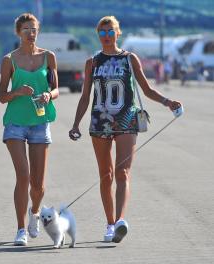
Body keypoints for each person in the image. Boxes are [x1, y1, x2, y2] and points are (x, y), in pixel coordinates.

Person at [69, 16, 181, 243]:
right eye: (102, 33)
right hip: (99, 120)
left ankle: (120, 221)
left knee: (122, 172)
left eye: (111, 32)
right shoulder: (92, 62)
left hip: (127, 119)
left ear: (118, 33)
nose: (107, 37)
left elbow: (146, 89)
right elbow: (84, 97)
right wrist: (75, 124)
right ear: (98, 35)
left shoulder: (130, 59)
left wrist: (167, 102)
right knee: (105, 175)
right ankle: (110, 224)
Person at [0, 13, 59, 246]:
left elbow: (56, 90)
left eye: (33, 29)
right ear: (18, 32)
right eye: (25, 29)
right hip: (15, 122)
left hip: (40, 123)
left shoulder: (49, 57)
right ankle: (20, 229)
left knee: (38, 185)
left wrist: (48, 95)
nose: (30, 33)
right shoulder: (9, 60)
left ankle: (35, 214)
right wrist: (17, 92)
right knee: (22, 176)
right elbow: (2, 97)